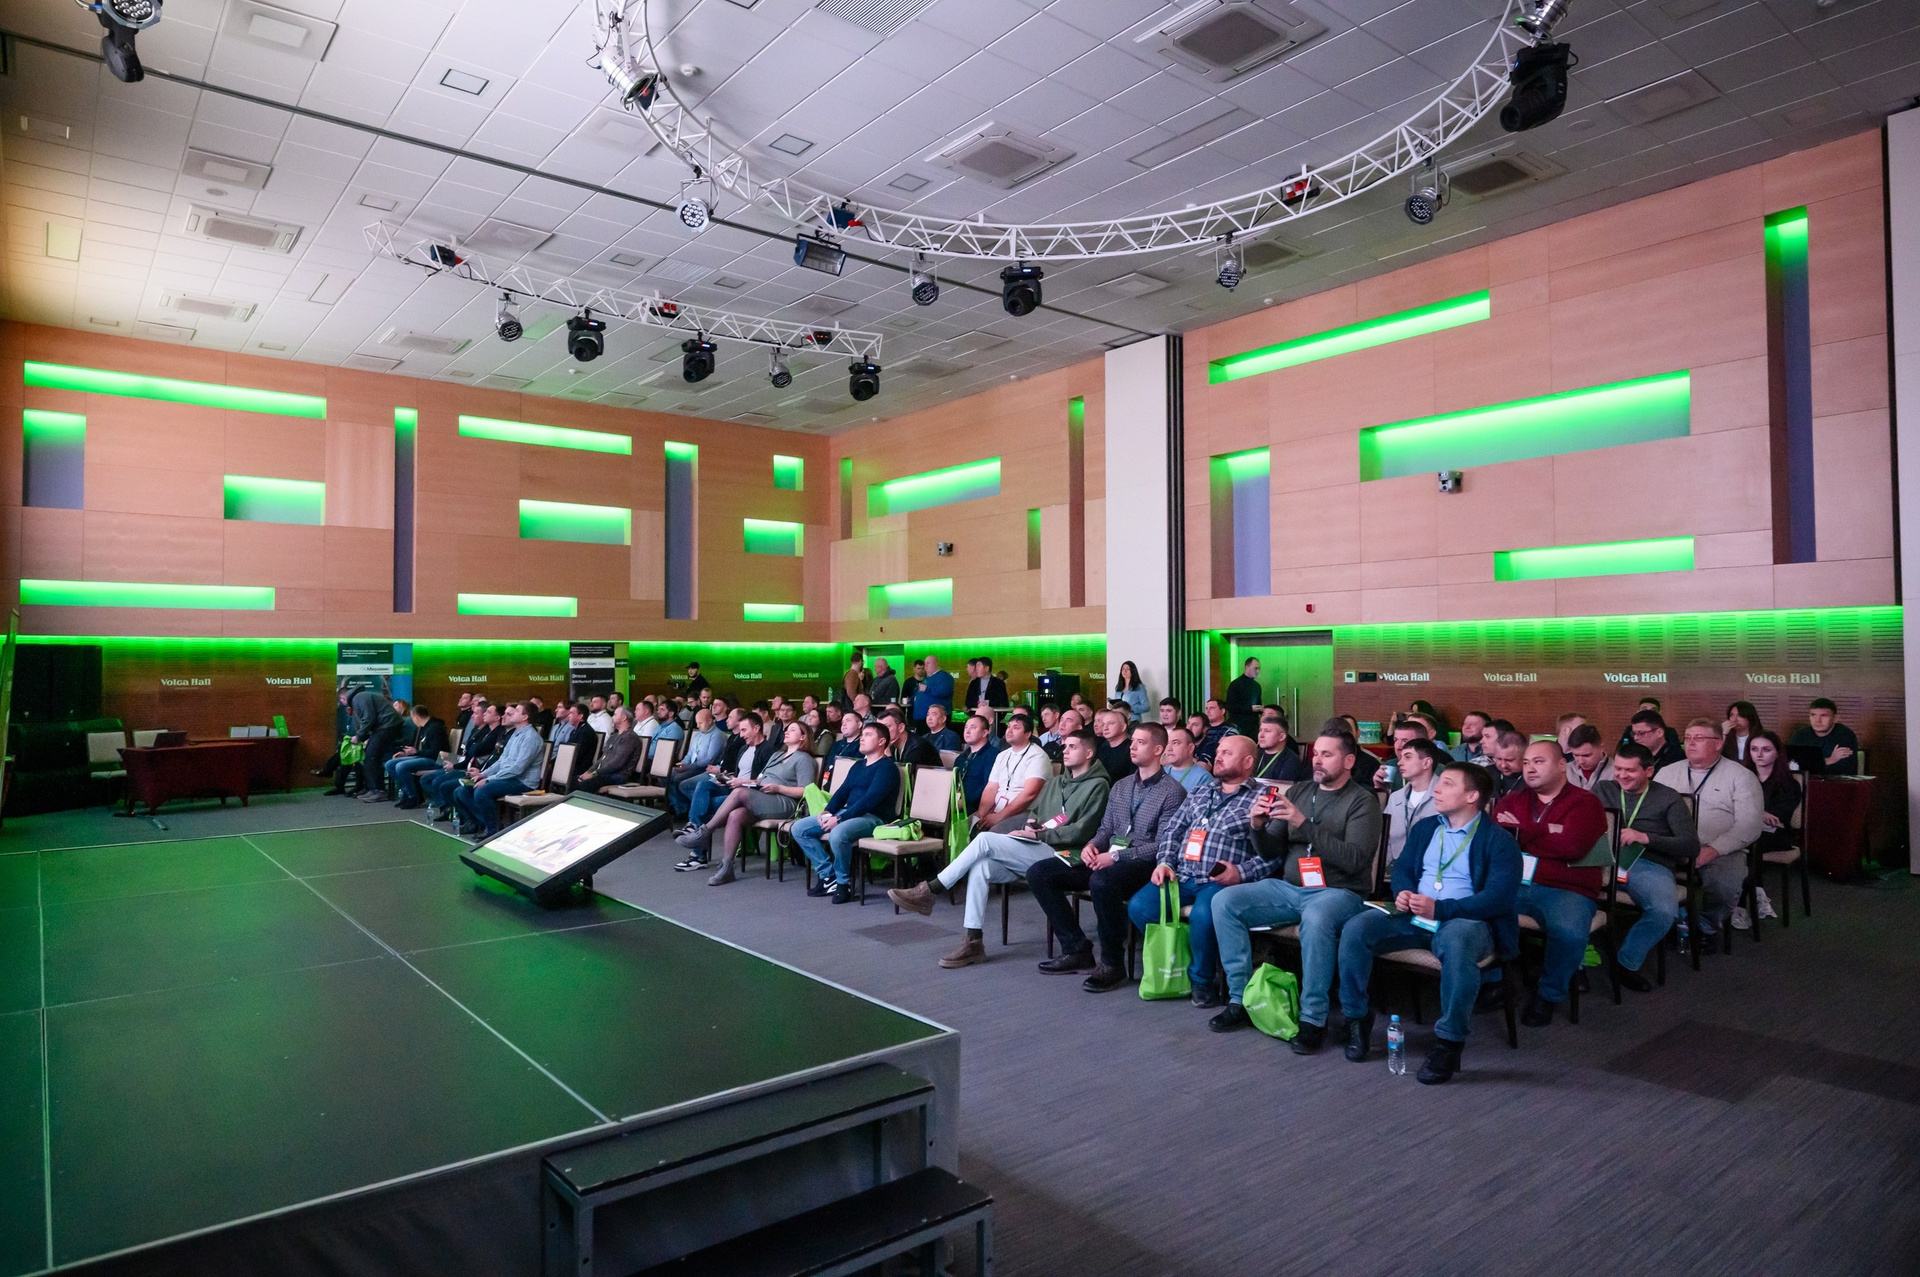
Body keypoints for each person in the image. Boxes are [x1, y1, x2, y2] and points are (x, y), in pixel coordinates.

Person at [1337, 762, 1521, 1084]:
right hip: (1415, 915)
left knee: (1458, 944)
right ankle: (1356, 1018)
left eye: (1448, 783)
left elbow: (1498, 899)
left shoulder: (1499, 841)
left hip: (1465, 919)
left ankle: (1449, 1042)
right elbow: (1404, 868)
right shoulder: (1426, 828)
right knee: (1356, 928)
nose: (1437, 788)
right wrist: (1404, 892)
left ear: (1472, 796)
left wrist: (1442, 909)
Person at [1208, 732, 1383, 1051]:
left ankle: (1313, 1018)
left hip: (1339, 892)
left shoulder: (1362, 801)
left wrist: (1304, 824)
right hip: (1290, 888)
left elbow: (1356, 860)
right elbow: (1271, 849)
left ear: (1348, 761)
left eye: (1327, 754)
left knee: (1317, 917)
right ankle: (1240, 1000)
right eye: (1316, 753)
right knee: (1225, 901)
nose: (1317, 760)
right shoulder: (1301, 791)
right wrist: (1257, 826)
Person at [890, 730, 1110, 967]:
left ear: (1089, 753)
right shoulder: (1057, 782)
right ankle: (973, 941)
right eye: (1065, 746)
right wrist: (1030, 824)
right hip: (1037, 846)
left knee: (985, 840)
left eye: (1073, 747)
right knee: (981, 867)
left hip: (1064, 854)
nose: (1065, 751)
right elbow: (1036, 813)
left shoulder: (1098, 786)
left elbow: (1083, 831)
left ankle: (931, 889)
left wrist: (1039, 834)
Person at [1023, 722, 1190, 989]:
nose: (1132, 747)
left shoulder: (1173, 792)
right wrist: (1092, 846)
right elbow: (1106, 829)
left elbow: (1162, 845)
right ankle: (1077, 948)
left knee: (1101, 881)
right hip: (1107, 857)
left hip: (1143, 863)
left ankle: (1112, 964)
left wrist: (1115, 858)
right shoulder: (1121, 786)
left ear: (1158, 749)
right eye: (1132, 741)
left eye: (1141, 743)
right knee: (1040, 873)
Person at [1128, 735, 1267, 1007]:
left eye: (1227, 753)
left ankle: (1202, 980)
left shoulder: (1262, 798)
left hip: (1221, 881)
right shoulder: (1202, 792)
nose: (1218, 757)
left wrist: (1241, 872)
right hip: (1181, 874)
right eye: (1218, 752)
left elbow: (1273, 853)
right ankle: (1182, 962)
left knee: (1203, 915)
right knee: (1140, 907)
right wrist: (1165, 862)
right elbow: (1173, 830)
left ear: (1248, 762)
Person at [1495, 740, 1609, 1027]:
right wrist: (1549, 833)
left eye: (1539, 762)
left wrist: (1523, 832)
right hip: (1515, 884)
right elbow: (1499, 842)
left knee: (1569, 933)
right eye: (1526, 763)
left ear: (1561, 765)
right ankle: (1493, 981)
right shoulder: (1512, 799)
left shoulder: (1585, 802)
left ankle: (1548, 994)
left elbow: (1572, 846)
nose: (1530, 768)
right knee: (1474, 908)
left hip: (1566, 888)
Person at [1593, 742, 1698, 992]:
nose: (1621, 775)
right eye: (1618, 769)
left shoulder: (1668, 798)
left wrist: (1646, 837)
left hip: (1646, 862)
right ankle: (1572, 962)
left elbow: (1691, 846)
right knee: (1559, 889)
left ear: (1649, 771)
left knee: (1663, 911)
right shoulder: (1603, 789)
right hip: (1602, 857)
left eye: (1630, 770)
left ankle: (1625, 963)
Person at [1655, 718, 1765, 936]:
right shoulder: (1667, 773)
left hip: (1721, 849)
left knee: (1724, 886)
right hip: (1672, 845)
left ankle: (1706, 926)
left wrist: (1714, 849)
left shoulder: (1741, 776)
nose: (1691, 743)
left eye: (1699, 738)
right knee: (1638, 871)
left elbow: (1749, 825)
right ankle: (1667, 920)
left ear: (1718, 743)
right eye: (1688, 738)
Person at [682, 721, 818, 885]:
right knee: (736, 814)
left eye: (793, 730)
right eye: (787, 729)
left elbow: (806, 791)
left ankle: (705, 832)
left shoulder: (804, 759)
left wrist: (778, 788)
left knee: (738, 793)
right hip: (763, 796)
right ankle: (727, 868)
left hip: (785, 802)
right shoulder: (777, 755)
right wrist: (743, 782)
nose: (787, 731)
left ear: (803, 737)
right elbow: (760, 780)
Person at [792, 722, 899, 902]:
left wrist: (839, 818)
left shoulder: (887, 768)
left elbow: (870, 800)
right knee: (799, 828)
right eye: (862, 735)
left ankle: (844, 883)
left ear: (882, 741)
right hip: (848, 813)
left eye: (868, 735)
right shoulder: (858, 765)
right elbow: (842, 792)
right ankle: (828, 876)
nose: (862, 738)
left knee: (838, 834)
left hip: (874, 817)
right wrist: (828, 811)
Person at [453, 701, 545, 838]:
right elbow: (502, 760)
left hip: (523, 782)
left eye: (517, 711)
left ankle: (493, 830)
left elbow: (518, 768)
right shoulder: (516, 734)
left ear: (525, 717)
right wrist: (484, 774)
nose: (512, 714)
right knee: (462, 790)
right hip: (508, 777)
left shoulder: (531, 738)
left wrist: (489, 779)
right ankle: (482, 823)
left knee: (482, 791)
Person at [423, 702, 499, 820]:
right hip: (463, 758)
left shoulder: (488, 732)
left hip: (469, 763)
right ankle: (445, 805)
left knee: (437, 769)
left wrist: (455, 765)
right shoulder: (475, 729)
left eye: (476, 713)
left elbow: (474, 752)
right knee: (440, 758)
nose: (472, 716)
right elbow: (468, 749)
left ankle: (448, 807)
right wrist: (455, 758)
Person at [971, 713, 1048, 830]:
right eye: (1008, 727)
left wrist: (999, 817)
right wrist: (981, 815)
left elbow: (1030, 794)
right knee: (965, 827)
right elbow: (991, 788)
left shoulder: (1037, 756)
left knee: (991, 833)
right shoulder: (1002, 755)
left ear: (1028, 734)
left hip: (1025, 812)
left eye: (1016, 728)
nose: (1009, 731)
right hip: (998, 809)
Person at [1384, 738, 1448, 864]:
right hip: (1395, 868)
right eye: (1401, 757)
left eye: (1407, 757)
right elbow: (1386, 840)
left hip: (1432, 868)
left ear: (1426, 763)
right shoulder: (1395, 798)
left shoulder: (1446, 796)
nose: (1399, 763)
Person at [378, 703, 449, 806]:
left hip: (437, 760)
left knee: (401, 766)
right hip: (423, 756)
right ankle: (406, 792)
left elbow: (436, 752)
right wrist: (406, 753)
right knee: (390, 764)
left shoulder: (435, 728)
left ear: (416, 717)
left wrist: (416, 752)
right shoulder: (422, 728)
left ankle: (413, 796)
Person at [668, 708, 728, 817]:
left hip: (703, 768)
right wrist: (682, 764)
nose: (698, 726)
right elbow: (689, 754)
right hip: (692, 766)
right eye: (697, 723)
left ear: (709, 721)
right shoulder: (698, 735)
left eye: (700, 723)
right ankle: (679, 806)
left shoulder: (717, 735)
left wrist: (688, 767)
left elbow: (710, 759)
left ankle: (685, 808)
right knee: (668, 774)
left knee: (677, 779)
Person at [573, 707, 642, 795]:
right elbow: (602, 759)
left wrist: (594, 774)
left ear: (624, 718)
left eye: (615, 715)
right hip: (604, 774)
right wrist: (588, 771)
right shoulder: (614, 736)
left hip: (618, 775)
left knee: (584, 784)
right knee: (574, 780)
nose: (612, 717)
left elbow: (617, 763)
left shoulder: (630, 738)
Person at [1788, 698, 1861, 776]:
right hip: (1806, 781)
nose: (1817, 720)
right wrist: (1830, 760)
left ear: (1835, 718)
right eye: (1813, 715)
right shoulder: (1800, 735)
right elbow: (1794, 766)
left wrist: (1811, 764)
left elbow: (1843, 770)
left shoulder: (1845, 735)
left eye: (1824, 716)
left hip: (1836, 781)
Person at [948, 713, 1002, 810]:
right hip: (956, 804)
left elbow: (989, 787)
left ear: (985, 732)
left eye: (973, 728)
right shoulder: (961, 757)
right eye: (966, 727)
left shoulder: (993, 755)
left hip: (978, 807)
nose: (967, 731)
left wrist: (964, 802)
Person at [1249, 713, 1307, 786]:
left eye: (1267, 731)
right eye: (1260, 730)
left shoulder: (1291, 761)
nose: (1261, 735)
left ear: (1281, 737)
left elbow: (1281, 789)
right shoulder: (1256, 754)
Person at [1163, 724, 1210, 792]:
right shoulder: (1160, 773)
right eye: (1167, 743)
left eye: (1175, 743)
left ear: (1190, 748)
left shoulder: (1203, 778)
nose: (1169, 748)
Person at [1566, 723, 1614, 791]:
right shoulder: (1564, 771)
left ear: (1601, 748)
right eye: (1576, 755)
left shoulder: (1616, 772)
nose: (1581, 761)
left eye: (1586, 755)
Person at [912, 654, 955, 725]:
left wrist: (927, 689)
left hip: (935, 720)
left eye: (928, 663)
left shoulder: (944, 676)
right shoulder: (927, 678)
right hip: (922, 718)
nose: (925, 666)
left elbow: (945, 691)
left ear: (936, 663)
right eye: (925, 663)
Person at [1090, 709, 1132, 779]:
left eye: (1111, 723)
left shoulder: (1132, 749)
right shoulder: (1101, 749)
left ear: (1123, 727)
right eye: (1103, 724)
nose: (1105, 728)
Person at [1225, 658, 1262, 735]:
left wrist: (1261, 709)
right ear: (1247, 667)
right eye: (1255, 668)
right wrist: (1250, 708)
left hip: (1253, 726)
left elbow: (1258, 704)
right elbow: (1230, 706)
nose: (1258, 671)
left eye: (1259, 668)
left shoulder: (1257, 686)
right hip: (1239, 726)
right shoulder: (1235, 684)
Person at [1195, 698, 1237, 765]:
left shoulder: (1231, 729)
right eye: (1206, 708)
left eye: (1212, 708)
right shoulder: (1203, 728)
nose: (1208, 711)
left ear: (1222, 711)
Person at [1489, 730, 1527, 800]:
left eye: (1509, 760)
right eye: (1499, 759)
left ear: (1524, 757)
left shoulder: (1532, 778)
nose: (1503, 765)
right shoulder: (1486, 774)